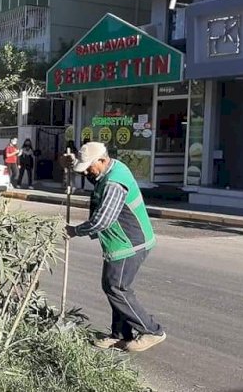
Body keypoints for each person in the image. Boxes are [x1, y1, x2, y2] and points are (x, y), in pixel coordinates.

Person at [63, 142, 165, 352]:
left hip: (129, 243)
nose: (88, 172)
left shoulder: (114, 183)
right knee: (114, 286)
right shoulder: (111, 168)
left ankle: (151, 331)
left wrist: (75, 231)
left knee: (117, 288)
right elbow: (90, 173)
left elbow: (103, 221)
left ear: (102, 160)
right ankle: (120, 336)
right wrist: (72, 165)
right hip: (121, 242)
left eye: (89, 167)